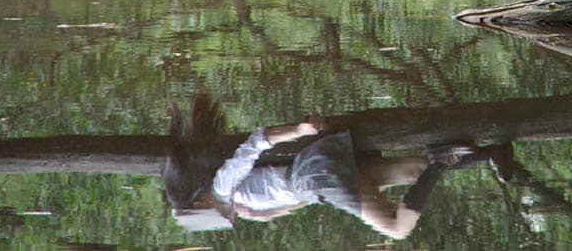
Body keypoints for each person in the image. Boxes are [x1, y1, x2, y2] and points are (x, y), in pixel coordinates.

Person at [164, 94, 499, 239]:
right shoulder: (238, 201)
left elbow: (255, 144)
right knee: (414, 171)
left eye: (214, 213)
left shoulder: (223, 187)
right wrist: (262, 213)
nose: (226, 217)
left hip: (315, 177)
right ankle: (492, 154)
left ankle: (441, 163)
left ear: (200, 202)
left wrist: (298, 130)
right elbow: (281, 201)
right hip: (314, 180)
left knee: (397, 228)